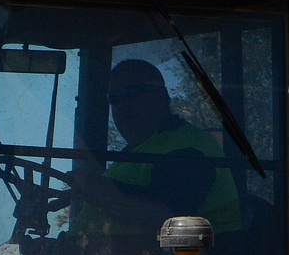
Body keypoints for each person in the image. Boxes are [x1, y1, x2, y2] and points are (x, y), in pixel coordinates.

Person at [73, 58, 242, 241]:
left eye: (131, 94)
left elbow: (166, 215)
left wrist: (95, 188)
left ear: (160, 94)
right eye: (115, 98)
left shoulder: (189, 146)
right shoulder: (133, 154)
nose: (122, 106)